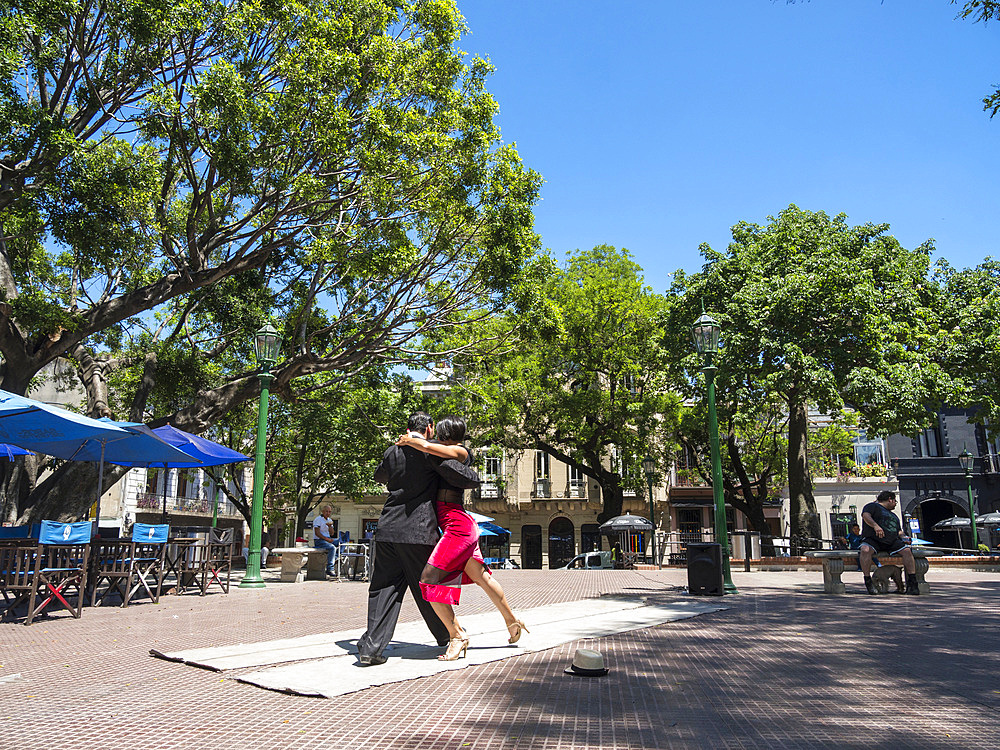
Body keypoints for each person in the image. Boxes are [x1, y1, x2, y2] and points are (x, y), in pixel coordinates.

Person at [397, 416, 528, 661]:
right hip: (459, 524)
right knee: (482, 577)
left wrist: (409, 439)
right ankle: (512, 620)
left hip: (457, 526)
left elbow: (426, 446)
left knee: (429, 580)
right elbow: (429, 446)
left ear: (444, 433)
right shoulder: (446, 451)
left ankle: (457, 636)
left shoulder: (460, 451)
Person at [356, 412, 480, 666]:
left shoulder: (393, 450)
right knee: (428, 586)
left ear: (408, 427)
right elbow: (468, 478)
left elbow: (380, 476)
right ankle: (447, 633)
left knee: (383, 588)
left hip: (388, 528)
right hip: (419, 530)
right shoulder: (431, 453)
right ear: (429, 429)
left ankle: (371, 648)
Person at [859, 490, 919, 595]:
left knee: (907, 551)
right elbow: (866, 516)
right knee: (865, 550)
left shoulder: (894, 516)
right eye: (895, 501)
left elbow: (899, 531)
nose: (896, 503)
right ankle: (868, 581)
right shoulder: (872, 506)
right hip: (873, 539)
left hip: (891, 541)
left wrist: (904, 537)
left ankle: (913, 583)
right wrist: (875, 526)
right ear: (890, 499)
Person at [312, 504, 338, 578]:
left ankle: (335, 557)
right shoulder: (318, 519)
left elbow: (332, 533)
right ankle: (330, 568)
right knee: (332, 547)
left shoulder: (330, 520)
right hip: (319, 540)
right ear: (323, 511)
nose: (328, 513)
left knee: (342, 542)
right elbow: (317, 533)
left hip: (328, 539)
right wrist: (327, 539)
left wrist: (330, 527)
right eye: (326, 511)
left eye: (329, 512)